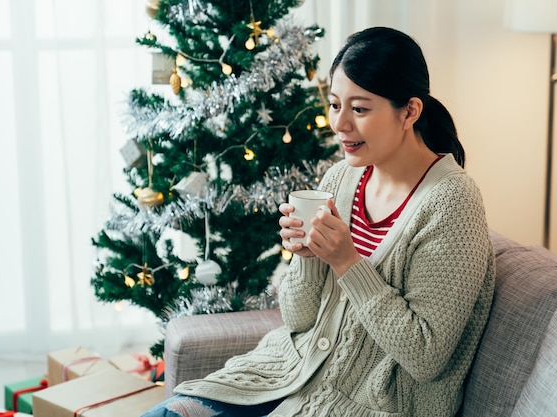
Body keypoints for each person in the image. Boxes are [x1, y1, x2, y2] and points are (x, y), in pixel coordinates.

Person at [142, 26, 495, 417]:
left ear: (410, 111)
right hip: (286, 374)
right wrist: (307, 257)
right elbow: (299, 320)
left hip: (369, 405)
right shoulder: (341, 178)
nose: (340, 125)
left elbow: (426, 355)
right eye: (334, 105)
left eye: (359, 109)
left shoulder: (452, 203)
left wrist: (347, 262)